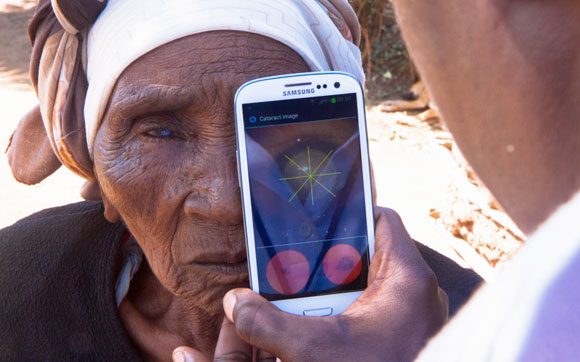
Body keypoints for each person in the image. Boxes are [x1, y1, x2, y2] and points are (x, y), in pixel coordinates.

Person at [0, 0, 481, 361]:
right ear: (100, 175)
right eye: (160, 132)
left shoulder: (478, 328)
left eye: (281, 132)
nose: (228, 203)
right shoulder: (18, 288)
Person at [173, 1, 580, 361]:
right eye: (162, 132)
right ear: (104, 187)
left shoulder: (484, 316)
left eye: (300, 154)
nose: (226, 202)